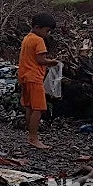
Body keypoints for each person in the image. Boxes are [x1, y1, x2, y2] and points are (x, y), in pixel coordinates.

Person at [18, 12, 59, 149]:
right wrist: (52, 62)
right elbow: (40, 60)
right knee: (39, 108)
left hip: (24, 76)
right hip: (34, 77)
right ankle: (33, 138)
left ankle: (29, 134)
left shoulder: (27, 38)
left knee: (29, 106)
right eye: (47, 30)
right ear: (37, 27)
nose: (47, 34)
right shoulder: (38, 40)